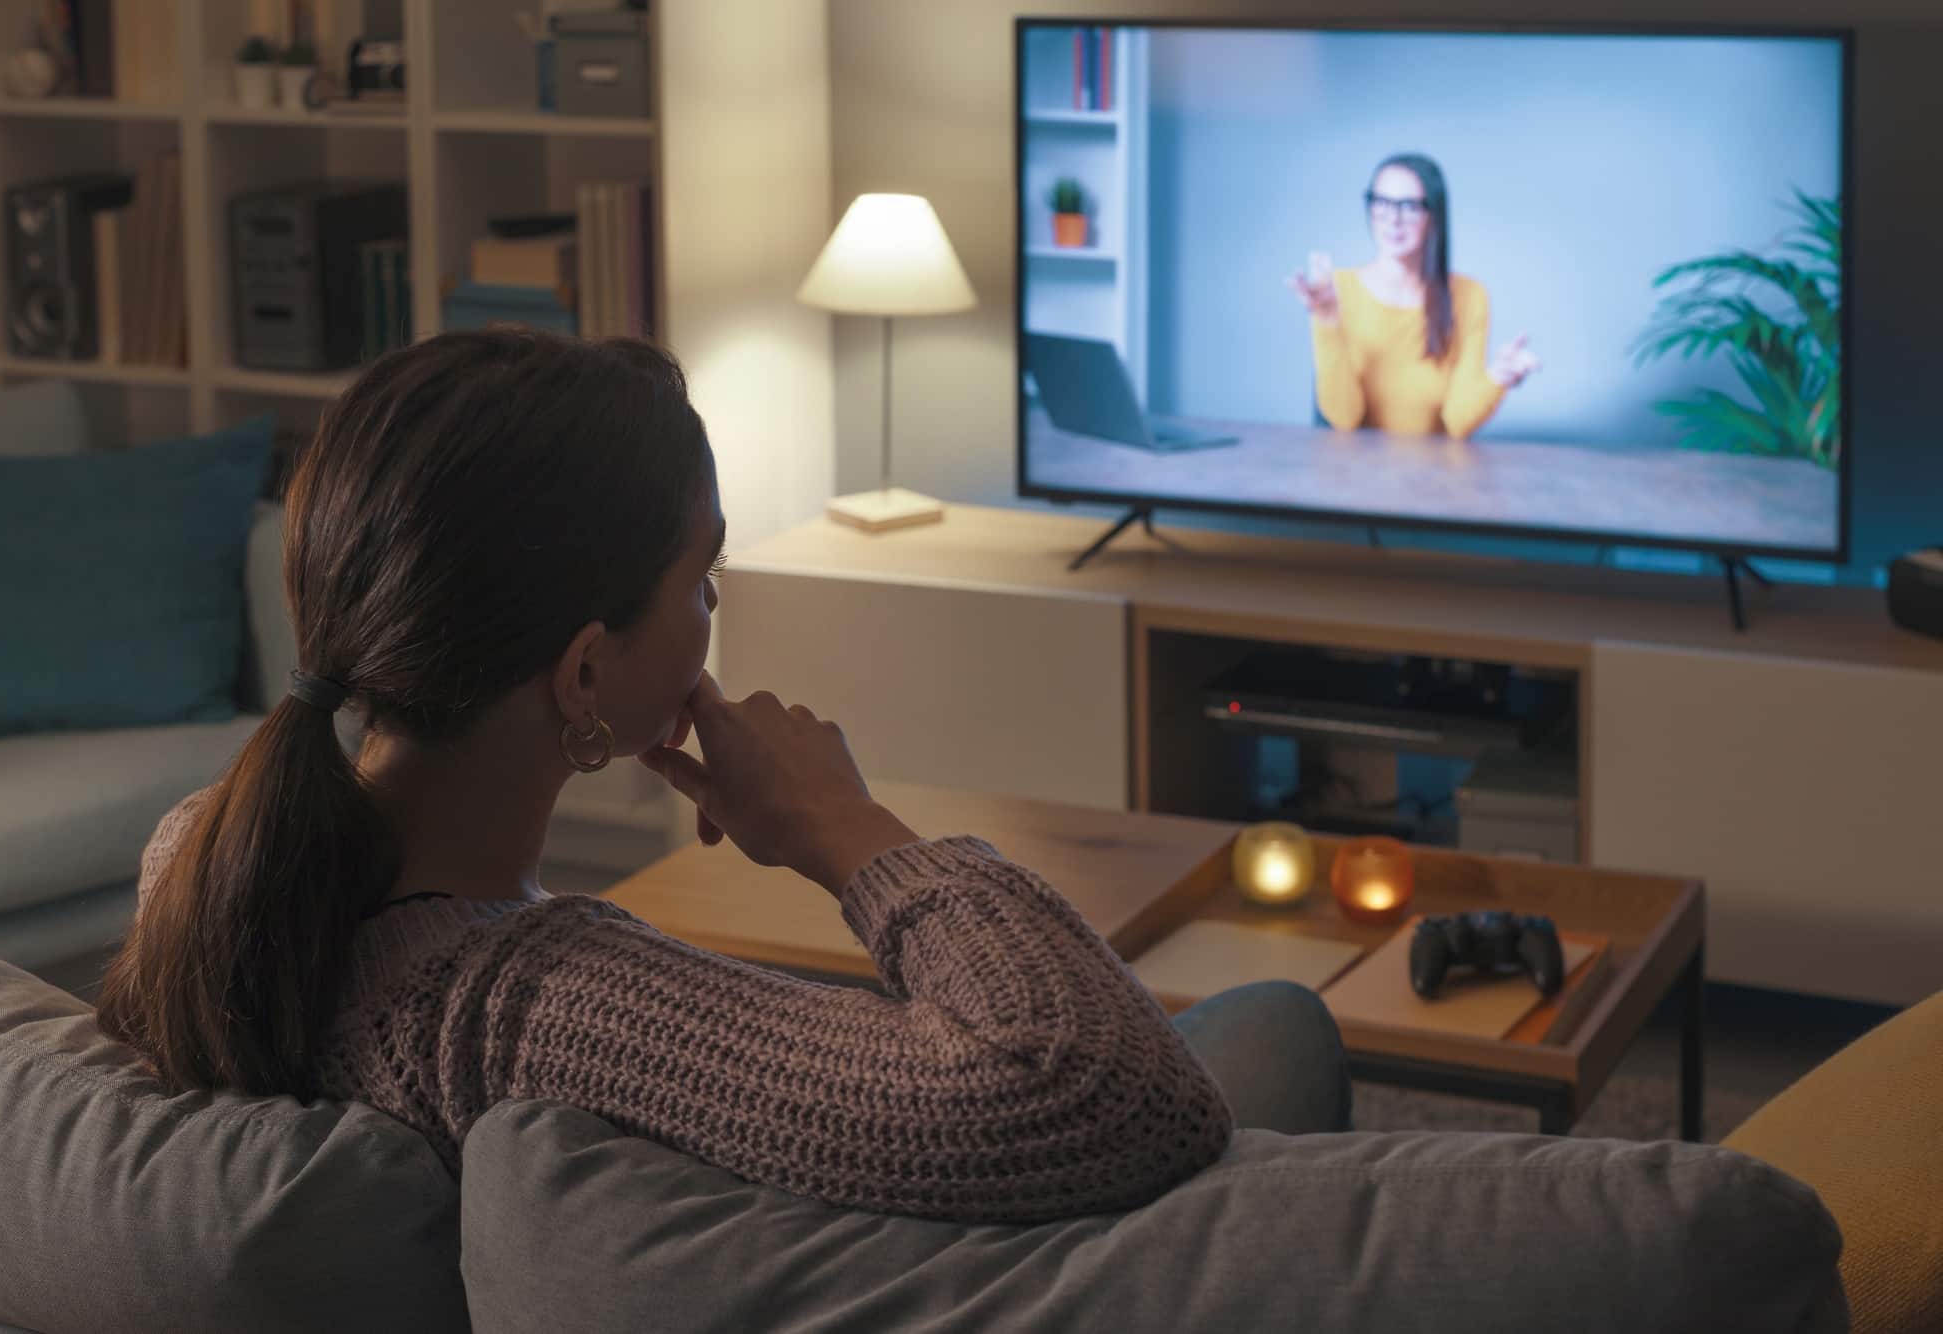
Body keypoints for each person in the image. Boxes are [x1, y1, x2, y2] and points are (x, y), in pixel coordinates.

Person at [94, 330, 1352, 1226]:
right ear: (586, 672)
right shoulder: (538, 1008)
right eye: (703, 578)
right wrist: (847, 828)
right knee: (1273, 1026)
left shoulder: (202, 853)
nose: (712, 611)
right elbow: (1100, 1089)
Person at [1288, 152, 1542, 440]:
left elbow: (1458, 421)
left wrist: (1497, 378)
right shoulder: (1336, 290)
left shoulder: (1469, 296)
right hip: (1354, 466)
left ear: (1434, 216)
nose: (1393, 219)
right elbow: (1344, 420)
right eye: (1381, 202)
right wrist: (1326, 321)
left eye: (1409, 206)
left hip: (1432, 467)